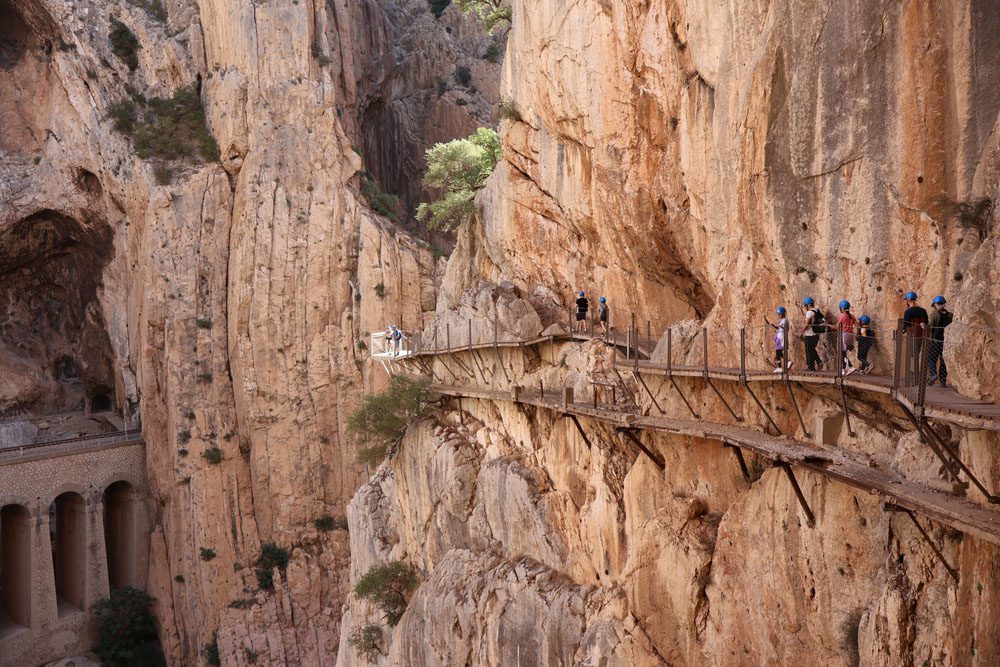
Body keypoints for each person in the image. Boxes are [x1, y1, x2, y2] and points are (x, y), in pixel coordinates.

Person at [899, 290, 929, 382]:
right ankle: (917, 373)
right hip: (922, 335)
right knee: (917, 353)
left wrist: (901, 332)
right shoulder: (923, 310)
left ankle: (915, 374)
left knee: (912, 354)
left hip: (912, 335)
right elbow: (926, 322)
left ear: (908, 300)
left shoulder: (908, 312)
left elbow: (906, 326)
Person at [927, 295, 953, 387]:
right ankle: (943, 381)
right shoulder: (950, 315)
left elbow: (931, 326)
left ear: (935, 304)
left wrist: (924, 326)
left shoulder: (934, 314)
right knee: (943, 362)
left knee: (931, 359)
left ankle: (933, 374)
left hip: (935, 341)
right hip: (946, 342)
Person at [799, 297, 825, 371]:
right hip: (816, 334)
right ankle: (818, 363)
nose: (805, 307)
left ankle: (811, 367)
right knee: (811, 350)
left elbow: (807, 324)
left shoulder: (809, 312)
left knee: (809, 351)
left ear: (808, 305)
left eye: (805, 306)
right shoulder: (817, 311)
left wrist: (802, 332)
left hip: (810, 334)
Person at [765, 307, 792, 373]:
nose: (779, 315)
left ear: (783, 314)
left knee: (778, 351)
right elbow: (779, 327)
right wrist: (774, 325)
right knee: (778, 352)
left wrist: (779, 325)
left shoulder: (784, 320)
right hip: (780, 335)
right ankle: (783, 364)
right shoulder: (783, 320)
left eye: (780, 314)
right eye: (778, 314)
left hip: (781, 336)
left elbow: (783, 327)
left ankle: (781, 366)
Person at [836, 300, 858, 375]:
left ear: (842, 308)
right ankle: (843, 369)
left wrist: (828, 325)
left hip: (844, 335)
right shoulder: (852, 316)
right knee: (843, 352)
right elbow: (857, 325)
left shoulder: (842, 316)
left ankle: (851, 366)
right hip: (850, 335)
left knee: (842, 353)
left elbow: (837, 327)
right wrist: (857, 334)